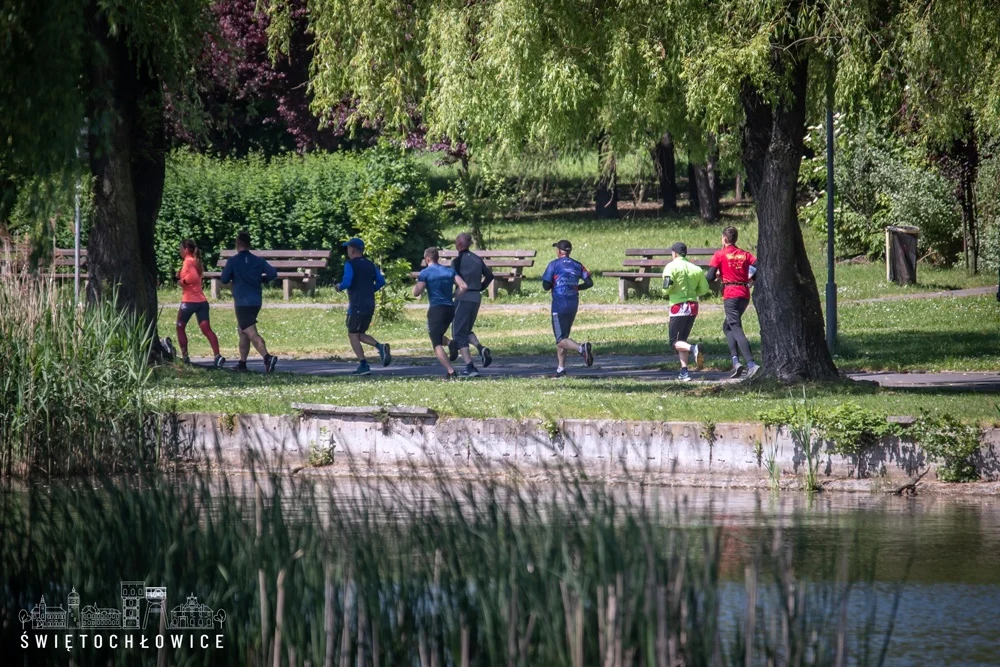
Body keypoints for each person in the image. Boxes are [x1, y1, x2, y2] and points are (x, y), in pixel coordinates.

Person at [220, 230, 279, 373]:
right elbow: (273, 274)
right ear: (249, 244)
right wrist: (261, 279)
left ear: (238, 244)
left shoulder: (233, 261)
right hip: (256, 301)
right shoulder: (258, 261)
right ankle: (242, 363)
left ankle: (267, 357)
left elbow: (224, 279)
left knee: (251, 332)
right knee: (243, 331)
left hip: (242, 301)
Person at [707, 226, 760, 379]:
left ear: (724, 239)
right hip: (744, 293)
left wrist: (717, 274)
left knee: (735, 327)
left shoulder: (720, 254)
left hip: (731, 294)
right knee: (728, 326)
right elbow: (760, 266)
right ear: (735, 239)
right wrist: (752, 279)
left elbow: (710, 277)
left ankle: (751, 364)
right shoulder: (745, 254)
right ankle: (736, 362)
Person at [335, 237, 392, 376]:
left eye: (348, 248)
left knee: (352, 334)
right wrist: (370, 289)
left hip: (356, 305)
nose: (347, 251)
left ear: (353, 250)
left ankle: (364, 364)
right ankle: (380, 347)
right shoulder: (370, 264)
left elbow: (347, 281)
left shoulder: (350, 264)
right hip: (369, 303)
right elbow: (381, 281)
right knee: (359, 333)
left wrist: (339, 286)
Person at [541, 240, 594, 377]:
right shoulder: (578, 265)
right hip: (573, 304)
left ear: (559, 251)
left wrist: (553, 284)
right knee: (564, 337)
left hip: (559, 305)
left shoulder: (553, 264)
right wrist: (576, 287)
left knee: (560, 340)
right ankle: (561, 369)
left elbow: (546, 286)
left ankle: (581, 348)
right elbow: (589, 282)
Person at [414, 247, 467, 379]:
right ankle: (450, 343)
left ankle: (451, 372)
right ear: (437, 258)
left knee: (436, 343)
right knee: (437, 334)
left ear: (427, 259)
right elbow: (464, 286)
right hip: (450, 309)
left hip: (436, 309)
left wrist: (418, 282)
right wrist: (454, 295)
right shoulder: (449, 271)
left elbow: (416, 292)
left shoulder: (425, 273)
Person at [446, 232, 494, 377]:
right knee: (466, 329)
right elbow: (490, 275)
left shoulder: (457, 261)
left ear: (460, 244)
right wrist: (480, 287)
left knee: (458, 333)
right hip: (475, 297)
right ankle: (480, 348)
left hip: (463, 297)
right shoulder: (477, 258)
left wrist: (451, 296)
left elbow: (452, 279)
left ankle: (470, 367)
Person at [662, 242, 710, 382]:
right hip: (693, 306)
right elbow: (704, 289)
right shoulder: (695, 268)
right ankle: (684, 372)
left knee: (674, 342)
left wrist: (667, 292)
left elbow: (666, 288)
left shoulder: (671, 267)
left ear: (674, 253)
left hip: (678, 306)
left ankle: (694, 348)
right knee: (681, 340)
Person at [175, 239, 225, 368]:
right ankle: (217, 355)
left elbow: (193, 277)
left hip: (189, 301)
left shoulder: (187, 261)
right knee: (206, 329)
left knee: (180, 327)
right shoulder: (196, 261)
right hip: (202, 301)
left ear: (186, 250)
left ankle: (185, 356)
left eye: (181, 248)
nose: (180, 251)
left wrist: (182, 282)